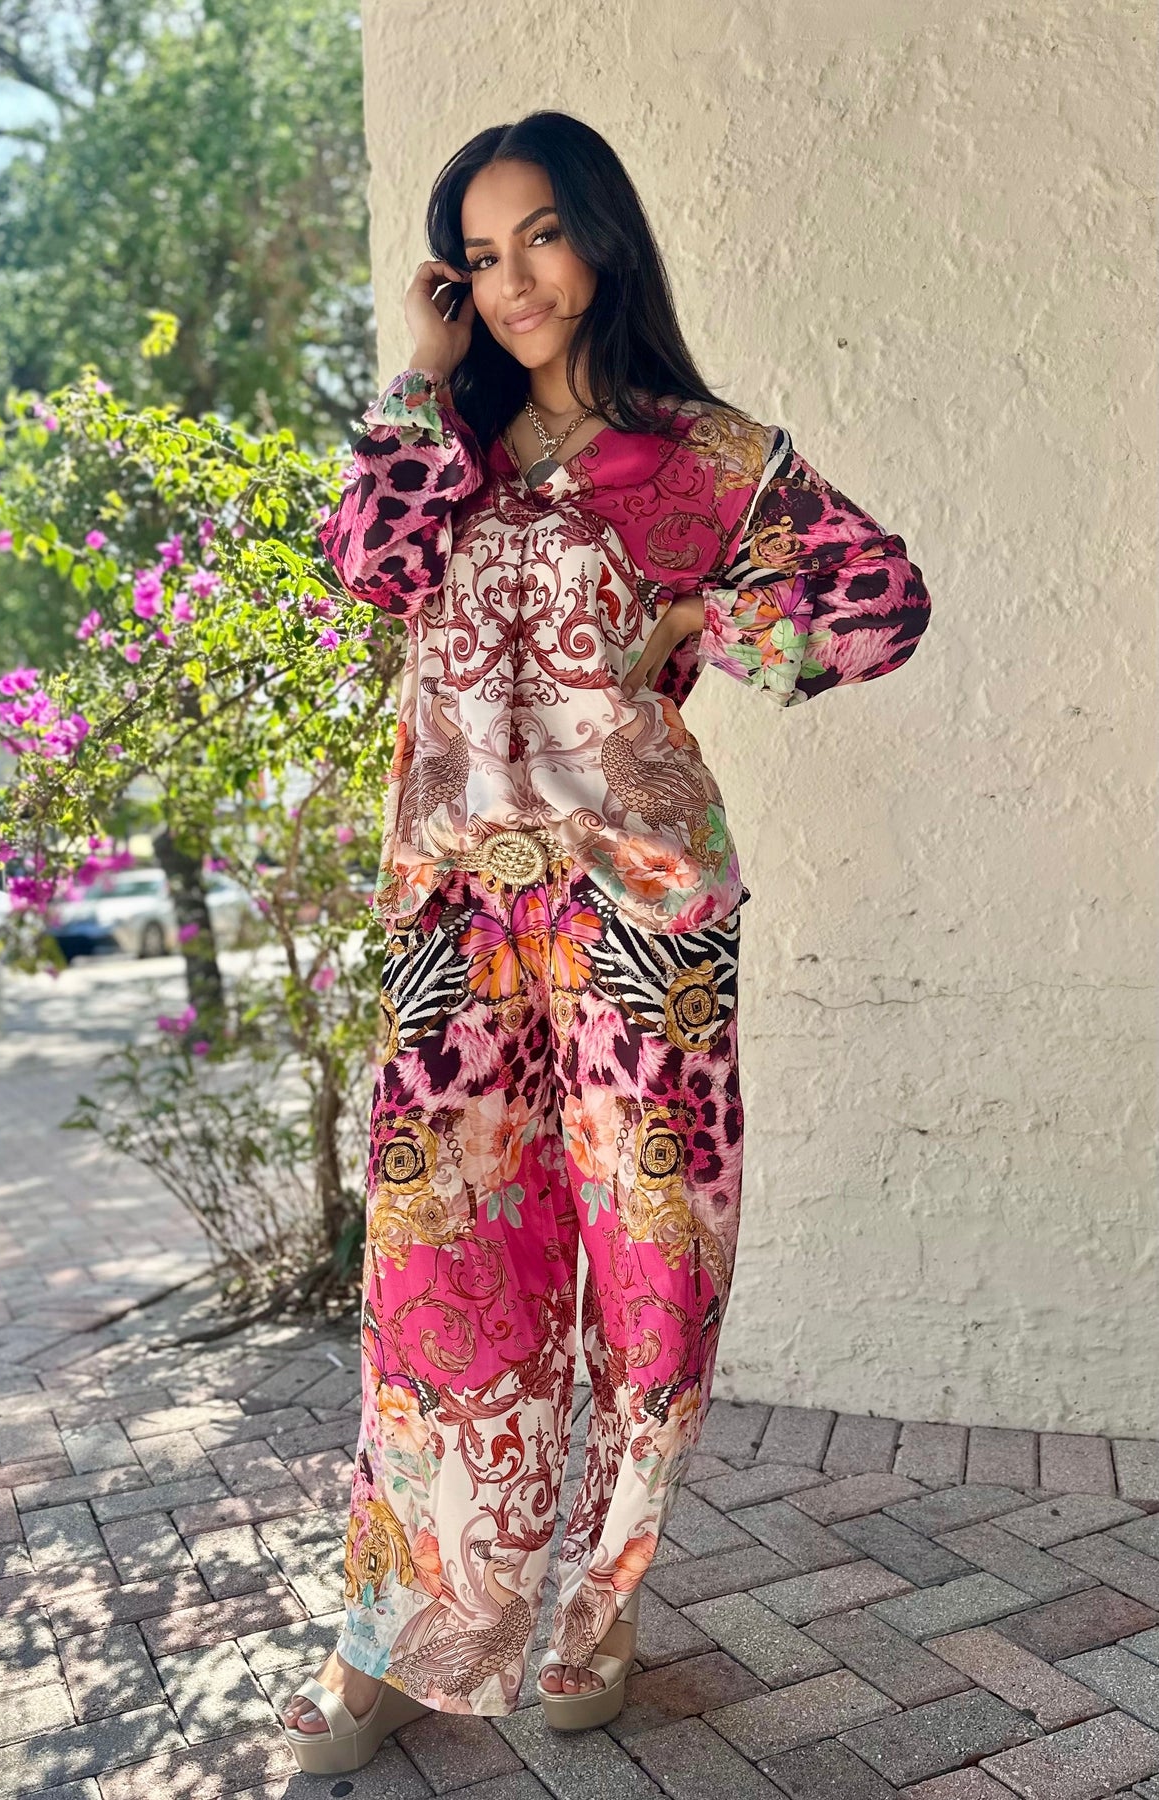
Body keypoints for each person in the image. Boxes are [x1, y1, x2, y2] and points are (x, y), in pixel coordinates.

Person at [281, 108, 931, 1774]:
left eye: (541, 237)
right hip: (455, 920)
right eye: (477, 255)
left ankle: (599, 1607)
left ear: (603, 237)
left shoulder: (702, 457)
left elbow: (879, 602)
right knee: (436, 1277)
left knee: (651, 1283)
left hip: (643, 919)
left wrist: (712, 614)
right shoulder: (444, 447)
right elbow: (364, 570)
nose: (512, 281)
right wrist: (421, 378)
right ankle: (411, 1634)